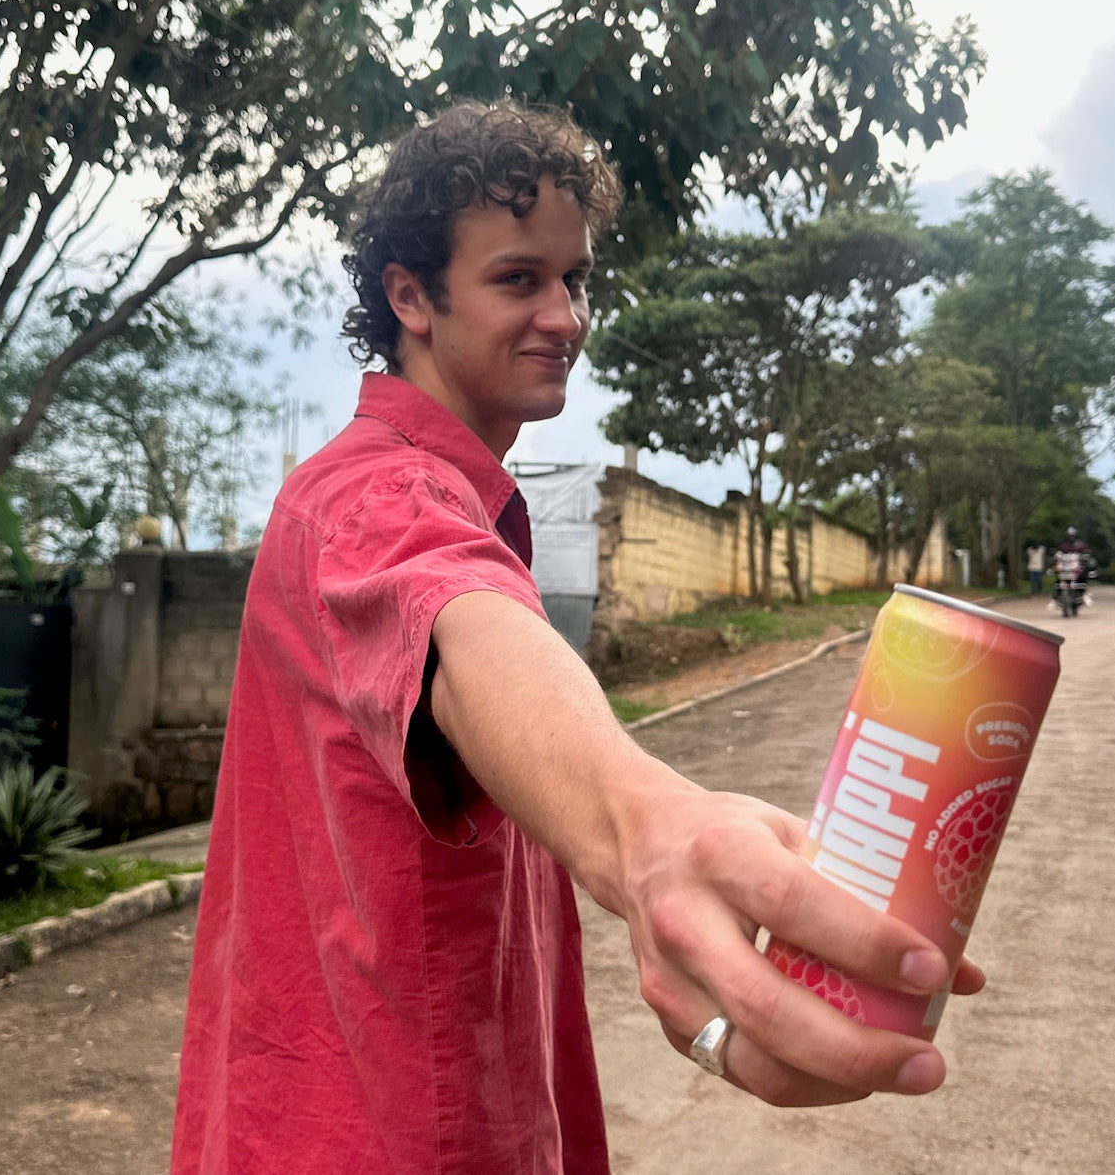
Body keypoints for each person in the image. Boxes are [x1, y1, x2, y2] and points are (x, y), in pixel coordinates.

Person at [171, 99, 982, 1175]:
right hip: (382, 1133)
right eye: (518, 279)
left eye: (575, 278)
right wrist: (648, 829)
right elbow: (459, 627)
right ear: (408, 295)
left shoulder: (447, 498)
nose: (565, 315)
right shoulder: (370, 501)